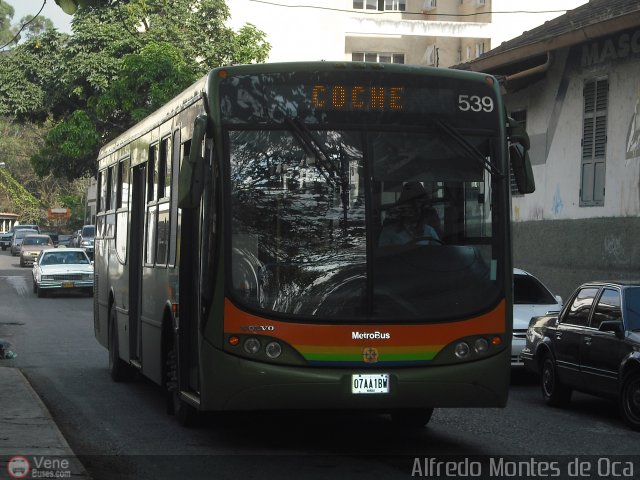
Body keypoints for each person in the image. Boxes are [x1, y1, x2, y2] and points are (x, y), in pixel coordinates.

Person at [378, 181, 441, 246]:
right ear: (403, 206)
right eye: (411, 204)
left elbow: (440, 252)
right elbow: (383, 253)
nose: (416, 209)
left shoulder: (429, 230)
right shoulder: (389, 232)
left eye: (420, 203)